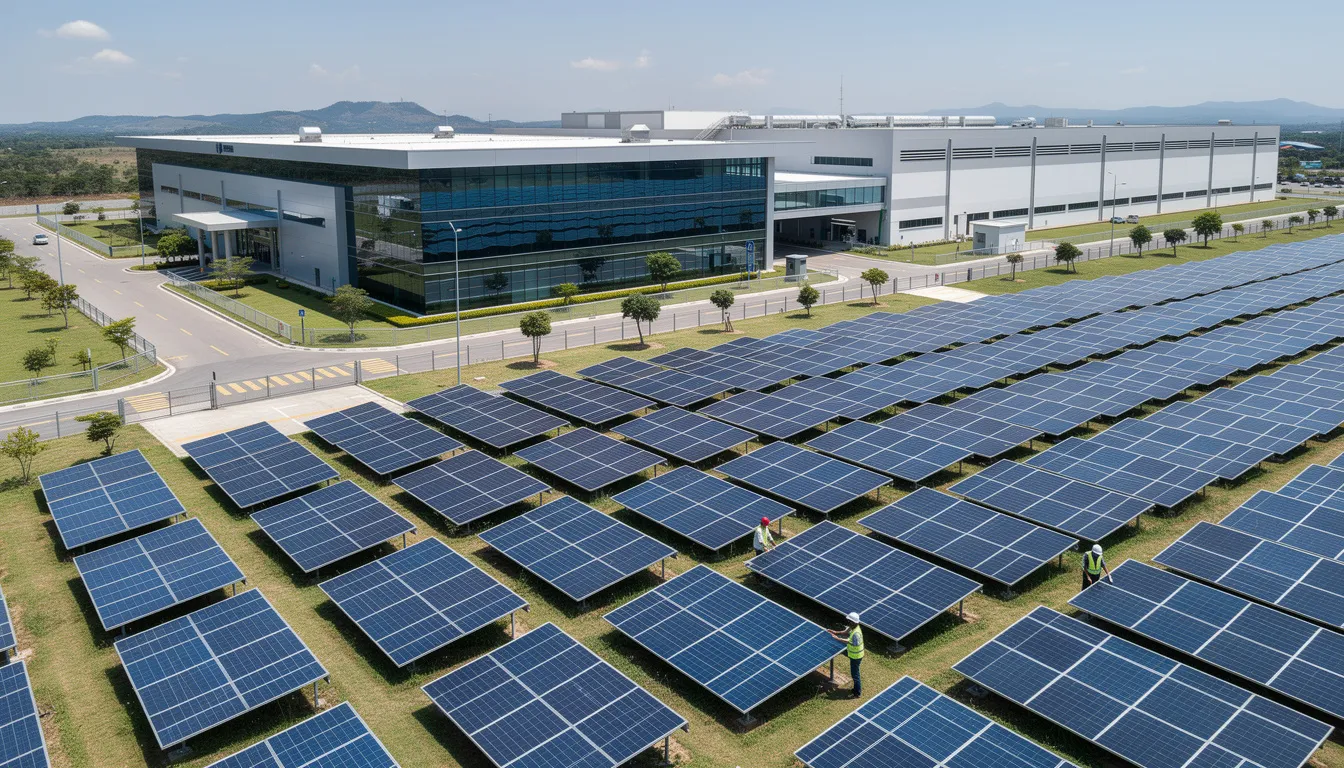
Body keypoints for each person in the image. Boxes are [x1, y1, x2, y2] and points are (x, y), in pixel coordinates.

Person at [828, 612, 864, 698]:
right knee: (855, 673)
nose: (848, 622)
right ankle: (856, 690)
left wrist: (838, 639)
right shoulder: (854, 627)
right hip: (852, 653)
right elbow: (846, 631)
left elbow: (850, 642)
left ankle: (857, 693)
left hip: (856, 656)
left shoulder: (856, 634)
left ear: (853, 622)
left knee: (855, 674)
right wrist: (836, 632)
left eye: (849, 621)